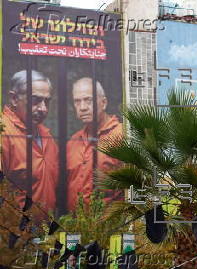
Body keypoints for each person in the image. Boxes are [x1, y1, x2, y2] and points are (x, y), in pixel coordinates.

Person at [1, 70, 58, 212]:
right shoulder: (4, 133)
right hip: (15, 232)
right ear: (14, 99)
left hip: (46, 231)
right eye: (35, 100)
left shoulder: (46, 136)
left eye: (47, 101)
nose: (43, 109)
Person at [67, 77, 123, 211]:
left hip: (110, 226)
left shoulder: (122, 135)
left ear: (103, 103)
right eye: (77, 101)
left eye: (88, 100)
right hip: (74, 226)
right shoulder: (72, 141)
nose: (82, 107)